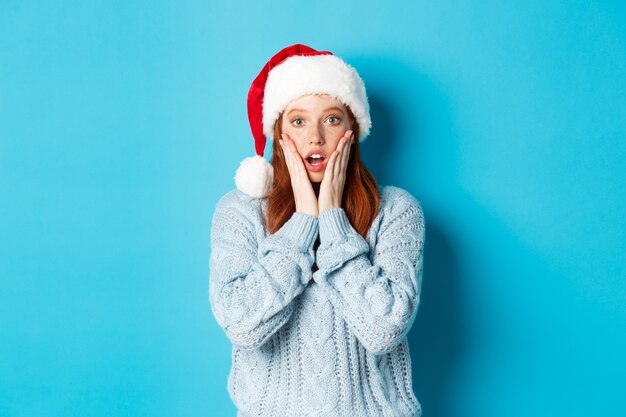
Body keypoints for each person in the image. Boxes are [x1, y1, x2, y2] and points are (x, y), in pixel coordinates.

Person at [209, 44, 425, 417]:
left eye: (331, 119)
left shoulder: (397, 211)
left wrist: (332, 221)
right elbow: (243, 327)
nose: (315, 138)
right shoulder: (239, 212)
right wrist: (303, 224)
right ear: (278, 133)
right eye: (298, 121)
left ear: (352, 129)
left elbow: (384, 330)